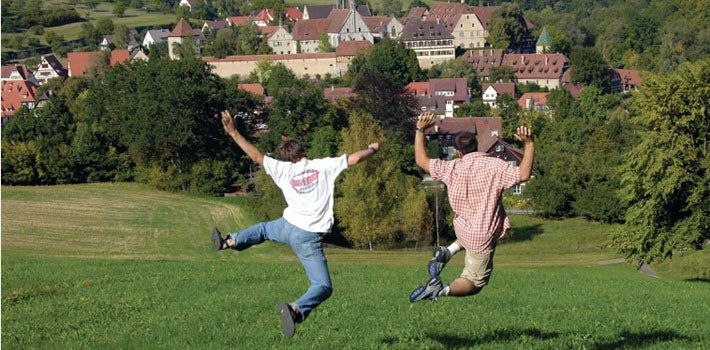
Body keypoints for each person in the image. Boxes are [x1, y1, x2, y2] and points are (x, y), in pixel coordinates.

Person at [212, 110, 380, 337]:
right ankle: (295, 309)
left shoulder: (283, 169)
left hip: (286, 226)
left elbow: (256, 157)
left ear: (285, 158)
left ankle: (229, 241)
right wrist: (373, 149)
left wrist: (233, 132)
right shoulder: (323, 165)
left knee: (262, 230)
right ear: (303, 152)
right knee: (322, 286)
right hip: (308, 236)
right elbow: (356, 158)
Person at [409, 112, 534, 302]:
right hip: (481, 234)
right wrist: (529, 143)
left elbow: (421, 160)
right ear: (478, 146)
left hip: (462, 228)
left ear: (459, 152)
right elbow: (524, 174)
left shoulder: (451, 167)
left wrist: (420, 130)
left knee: (468, 235)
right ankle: (439, 290)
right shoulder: (495, 166)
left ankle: (448, 251)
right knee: (475, 282)